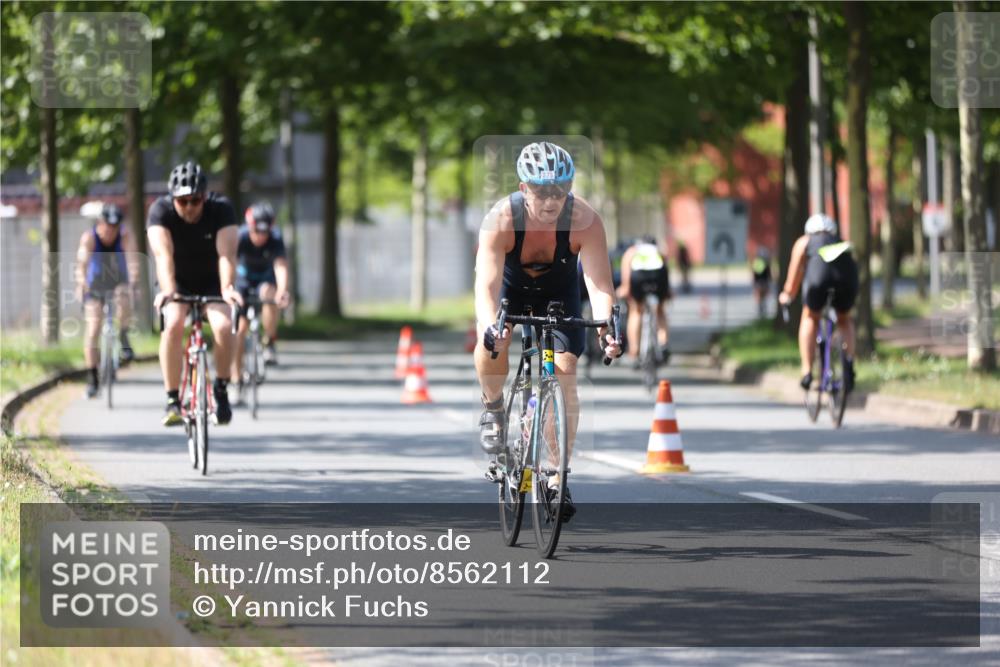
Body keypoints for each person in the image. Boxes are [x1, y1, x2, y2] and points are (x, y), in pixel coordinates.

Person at [474, 141, 622, 521]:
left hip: (559, 296)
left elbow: (599, 286)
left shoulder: (585, 220)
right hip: (510, 292)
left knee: (565, 371)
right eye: (542, 191)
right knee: (492, 344)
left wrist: (607, 329)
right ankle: (493, 407)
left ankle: (556, 476)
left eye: (560, 190)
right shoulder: (501, 219)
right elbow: (486, 287)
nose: (552, 199)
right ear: (524, 188)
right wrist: (491, 328)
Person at [147, 161, 242, 426]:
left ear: (205, 196)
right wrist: (168, 291)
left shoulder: (221, 209)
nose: (189, 207)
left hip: (213, 281)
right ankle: (172, 399)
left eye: (195, 200)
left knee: (224, 326)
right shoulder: (160, 211)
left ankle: (221, 389)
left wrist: (228, 288)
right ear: (172, 199)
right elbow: (163, 255)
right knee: (173, 324)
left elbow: (226, 255)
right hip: (177, 282)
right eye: (182, 201)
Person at [778, 213, 858, 392]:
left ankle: (807, 371)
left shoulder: (805, 241)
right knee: (844, 319)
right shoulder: (840, 241)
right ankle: (848, 364)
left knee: (810, 317)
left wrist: (787, 294)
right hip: (847, 280)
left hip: (818, 279)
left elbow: (795, 273)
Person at [75, 203, 138, 398]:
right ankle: (93, 378)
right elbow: (81, 265)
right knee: (93, 328)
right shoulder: (89, 238)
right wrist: (82, 284)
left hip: (118, 281)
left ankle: (123, 335)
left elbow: (133, 261)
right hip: (95, 284)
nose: (110, 231)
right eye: (107, 226)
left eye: (115, 227)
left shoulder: (125, 236)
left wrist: (133, 283)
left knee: (124, 299)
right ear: (100, 222)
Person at [233, 202, 290, 384]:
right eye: (257, 231)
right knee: (240, 329)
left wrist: (282, 290)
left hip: (265, 278)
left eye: (265, 232)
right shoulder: (240, 236)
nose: (261, 236)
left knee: (270, 294)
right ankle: (236, 378)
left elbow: (280, 265)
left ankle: (269, 340)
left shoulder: (275, 238)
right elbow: (229, 261)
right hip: (243, 279)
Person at [617, 235, 671, 367]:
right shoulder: (658, 251)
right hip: (658, 276)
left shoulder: (633, 251)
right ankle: (663, 343)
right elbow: (666, 271)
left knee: (635, 311)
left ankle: (634, 351)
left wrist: (625, 288)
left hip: (638, 276)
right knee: (660, 311)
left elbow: (626, 271)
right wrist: (668, 292)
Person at [751, 246, 772, 318]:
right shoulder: (766, 263)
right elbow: (769, 275)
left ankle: (761, 308)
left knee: (760, 297)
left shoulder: (757, 263)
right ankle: (762, 308)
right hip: (763, 282)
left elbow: (754, 274)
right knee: (762, 297)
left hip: (759, 282)